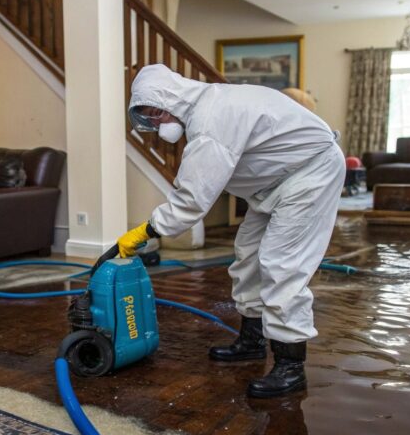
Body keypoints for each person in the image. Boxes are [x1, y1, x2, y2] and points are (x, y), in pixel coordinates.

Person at [118, 65, 344, 398]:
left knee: (282, 264)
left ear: (170, 98)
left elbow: (192, 199)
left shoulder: (211, 120)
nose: (156, 123)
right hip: (277, 183)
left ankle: (290, 366)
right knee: (248, 254)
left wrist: (146, 231)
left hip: (310, 174)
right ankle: (253, 341)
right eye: (148, 117)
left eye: (155, 113)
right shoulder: (205, 109)